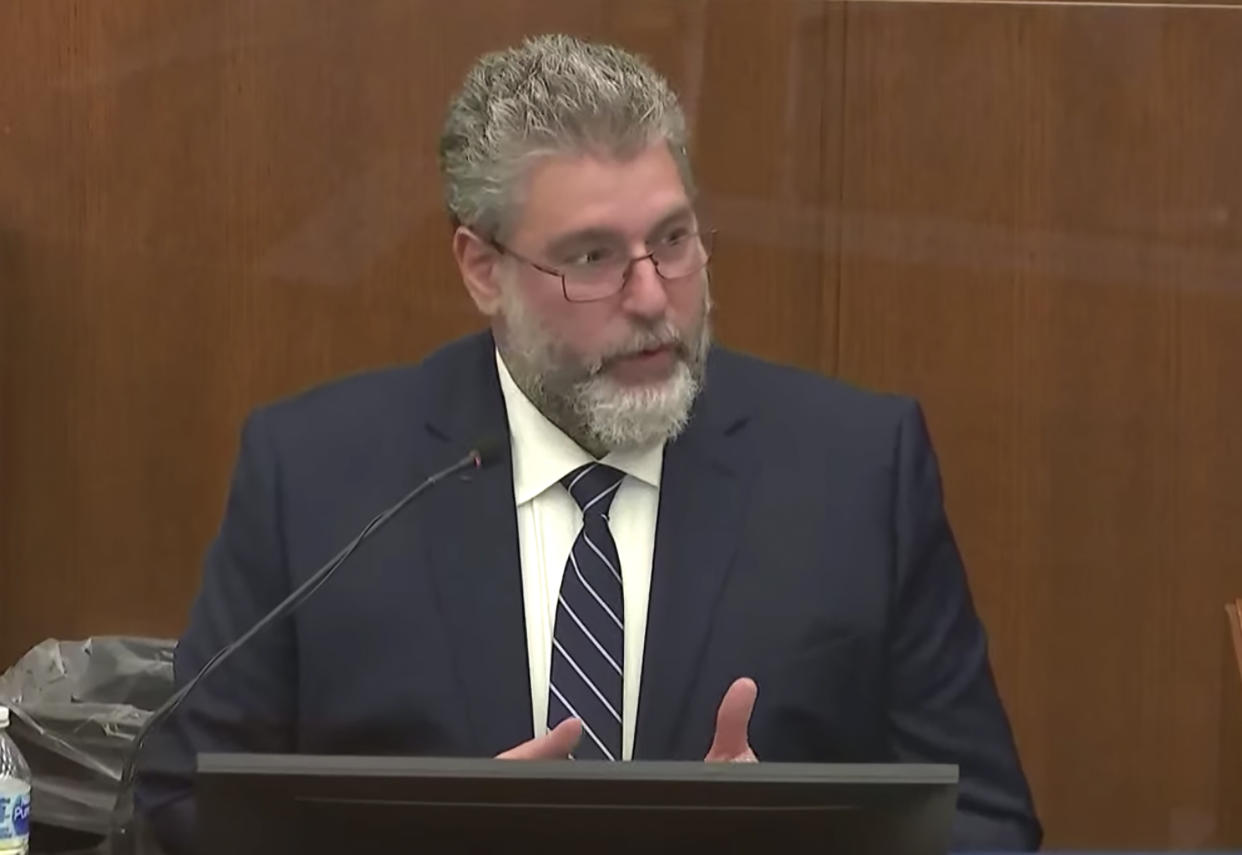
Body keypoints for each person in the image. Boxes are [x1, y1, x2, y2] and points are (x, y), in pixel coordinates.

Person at [135, 33, 1041, 852]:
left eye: (674, 240)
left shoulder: (856, 470)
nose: (652, 297)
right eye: (592, 258)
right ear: (483, 270)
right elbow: (179, 804)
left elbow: (990, 821)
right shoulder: (318, 475)